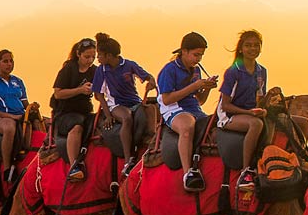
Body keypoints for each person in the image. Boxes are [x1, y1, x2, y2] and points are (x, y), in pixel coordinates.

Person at [157, 32, 220, 191]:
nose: (198, 59)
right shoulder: (169, 70)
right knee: (187, 126)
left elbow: (199, 100)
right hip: (174, 109)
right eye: (195, 54)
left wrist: (207, 88)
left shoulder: (196, 70)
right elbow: (167, 99)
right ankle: (188, 173)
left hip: (194, 109)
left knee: (218, 125)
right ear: (184, 51)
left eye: (201, 55)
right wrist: (194, 86)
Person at [90, 32, 156, 177]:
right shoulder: (102, 70)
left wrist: (151, 81)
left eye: (99, 55)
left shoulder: (129, 65)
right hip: (116, 105)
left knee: (151, 112)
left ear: (108, 55)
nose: (97, 59)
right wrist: (107, 115)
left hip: (135, 102)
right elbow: (99, 95)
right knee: (127, 118)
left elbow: (147, 76)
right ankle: (128, 159)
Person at [220, 30, 276, 192]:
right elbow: (225, 105)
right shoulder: (233, 72)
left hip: (250, 112)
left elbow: (260, 98)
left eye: (256, 45)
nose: (253, 49)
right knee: (256, 124)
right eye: (248, 45)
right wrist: (250, 114)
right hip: (230, 115)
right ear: (241, 49)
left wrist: (265, 106)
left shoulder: (261, 71)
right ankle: (245, 172)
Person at [52, 38, 99, 182]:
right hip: (66, 112)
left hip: (86, 110)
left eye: (93, 57)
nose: (90, 60)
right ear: (78, 54)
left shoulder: (95, 71)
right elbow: (58, 93)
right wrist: (79, 90)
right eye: (87, 57)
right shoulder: (68, 69)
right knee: (77, 126)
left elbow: (98, 94)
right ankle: (74, 165)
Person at [0, 50, 29, 183]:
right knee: (9, 128)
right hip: (1, 118)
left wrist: (32, 108)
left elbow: (24, 102)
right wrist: (8, 116)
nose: (9, 64)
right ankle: (7, 168)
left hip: (20, 115)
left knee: (45, 123)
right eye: (5, 61)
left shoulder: (18, 81)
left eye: (11, 61)